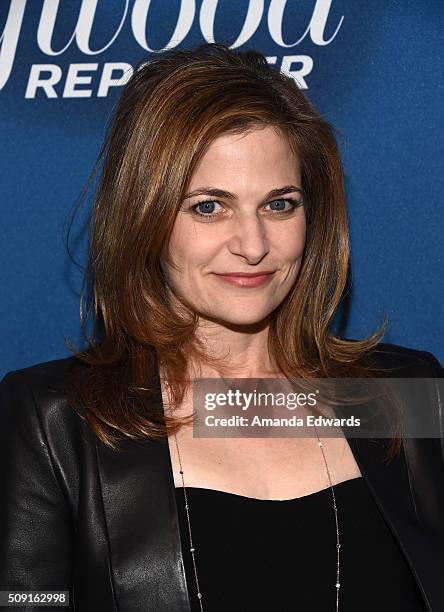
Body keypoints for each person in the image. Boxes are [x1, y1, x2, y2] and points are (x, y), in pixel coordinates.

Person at [0, 43, 442, 612]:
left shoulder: (405, 397)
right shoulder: (54, 424)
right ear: (145, 217)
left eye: (280, 204)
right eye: (209, 207)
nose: (253, 245)